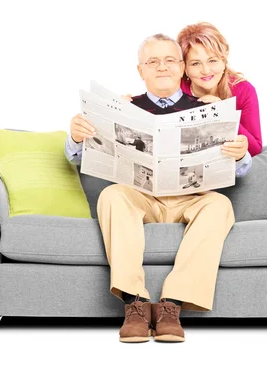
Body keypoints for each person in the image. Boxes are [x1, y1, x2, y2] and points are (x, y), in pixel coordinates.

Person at [64, 34, 252, 343]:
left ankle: (171, 306)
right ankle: (135, 304)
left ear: (181, 68)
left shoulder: (207, 108)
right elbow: (76, 156)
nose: (161, 67)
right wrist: (75, 135)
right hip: (140, 196)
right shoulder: (121, 108)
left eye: (169, 60)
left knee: (219, 205)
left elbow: (243, 169)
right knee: (111, 195)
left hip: (190, 196)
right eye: (152, 61)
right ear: (141, 71)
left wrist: (241, 151)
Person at [177, 22, 263, 157]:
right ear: (184, 68)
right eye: (195, 63)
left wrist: (224, 114)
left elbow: (256, 149)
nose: (205, 71)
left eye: (212, 61)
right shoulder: (175, 89)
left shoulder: (244, 91)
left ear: (224, 60)